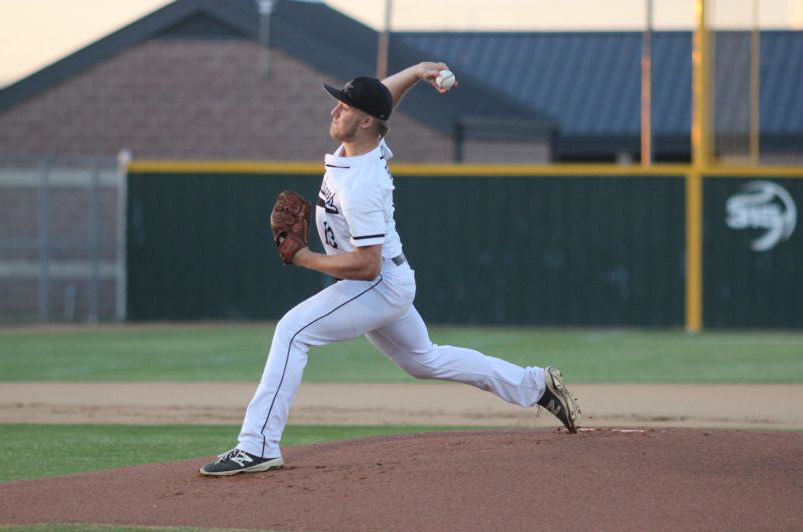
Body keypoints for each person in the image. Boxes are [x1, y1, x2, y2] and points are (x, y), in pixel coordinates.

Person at [200, 62, 581, 476]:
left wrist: (303, 257)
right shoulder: (367, 144)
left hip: (377, 284)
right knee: (425, 361)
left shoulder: (362, 184)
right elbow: (380, 101)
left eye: (343, 107)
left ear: (364, 122)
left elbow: (366, 266)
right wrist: (417, 72)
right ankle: (536, 385)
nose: (334, 111)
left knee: (292, 331)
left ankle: (257, 445)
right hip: (390, 281)